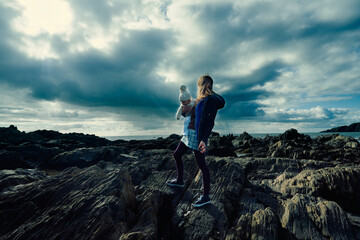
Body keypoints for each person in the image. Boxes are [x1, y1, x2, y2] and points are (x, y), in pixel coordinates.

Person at [167, 75, 225, 208]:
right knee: (176, 154)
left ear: (202, 85)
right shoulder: (200, 100)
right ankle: (180, 180)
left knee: (202, 166)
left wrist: (203, 140)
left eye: (200, 85)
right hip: (189, 133)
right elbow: (194, 117)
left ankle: (205, 197)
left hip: (196, 137)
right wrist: (184, 111)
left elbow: (208, 122)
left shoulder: (208, 100)